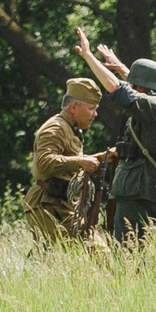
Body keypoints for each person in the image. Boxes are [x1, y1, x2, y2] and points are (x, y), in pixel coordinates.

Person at [72, 28, 156, 243]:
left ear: (140, 86)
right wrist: (122, 67)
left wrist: (88, 57)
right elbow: (135, 88)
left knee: (126, 250)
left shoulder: (153, 106)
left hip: (139, 189)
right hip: (146, 189)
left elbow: (119, 90)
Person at [25, 77, 105, 242]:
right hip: (48, 204)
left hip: (65, 205)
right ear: (74, 107)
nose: (95, 114)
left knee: (98, 254)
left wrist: (101, 157)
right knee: (64, 257)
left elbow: (69, 160)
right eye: (91, 108)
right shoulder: (55, 128)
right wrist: (80, 162)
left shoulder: (70, 128)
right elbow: (43, 163)